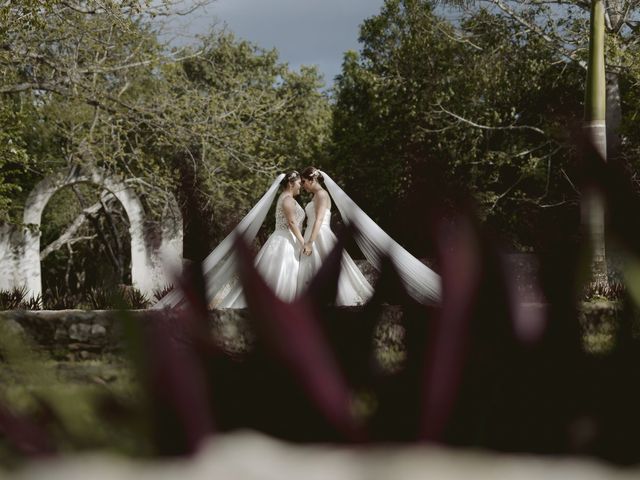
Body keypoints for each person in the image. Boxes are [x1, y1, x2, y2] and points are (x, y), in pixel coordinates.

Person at [211, 170, 305, 307]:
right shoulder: (287, 200)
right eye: (298, 183)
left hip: (285, 239)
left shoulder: (285, 198)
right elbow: (291, 223)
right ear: (291, 184)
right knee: (282, 273)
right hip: (285, 241)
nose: (300, 186)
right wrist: (303, 242)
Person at [298, 166, 373, 306]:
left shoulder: (321, 194)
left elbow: (319, 219)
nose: (302, 185)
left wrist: (309, 242)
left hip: (319, 235)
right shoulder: (316, 195)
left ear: (312, 179)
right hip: (313, 232)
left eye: (303, 181)